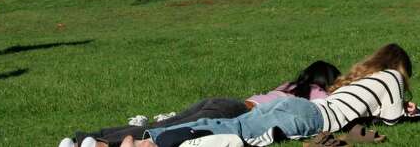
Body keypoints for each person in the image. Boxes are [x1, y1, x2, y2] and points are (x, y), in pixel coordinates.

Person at [136, 44, 417, 147]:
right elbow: (392, 119)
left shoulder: (362, 79)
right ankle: (154, 143)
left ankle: (148, 139)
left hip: (299, 106)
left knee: (230, 125)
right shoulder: (393, 77)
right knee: (239, 134)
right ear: (400, 66)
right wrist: (414, 110)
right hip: (311, 116)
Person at [65, 61, 341, 147]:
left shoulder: (287, 86)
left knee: (160, 125)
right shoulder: (315, 94)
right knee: (164, 128)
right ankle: (98, 143)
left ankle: (90, 139)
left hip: (227, 103)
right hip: (234, 112)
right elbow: (325, 109)